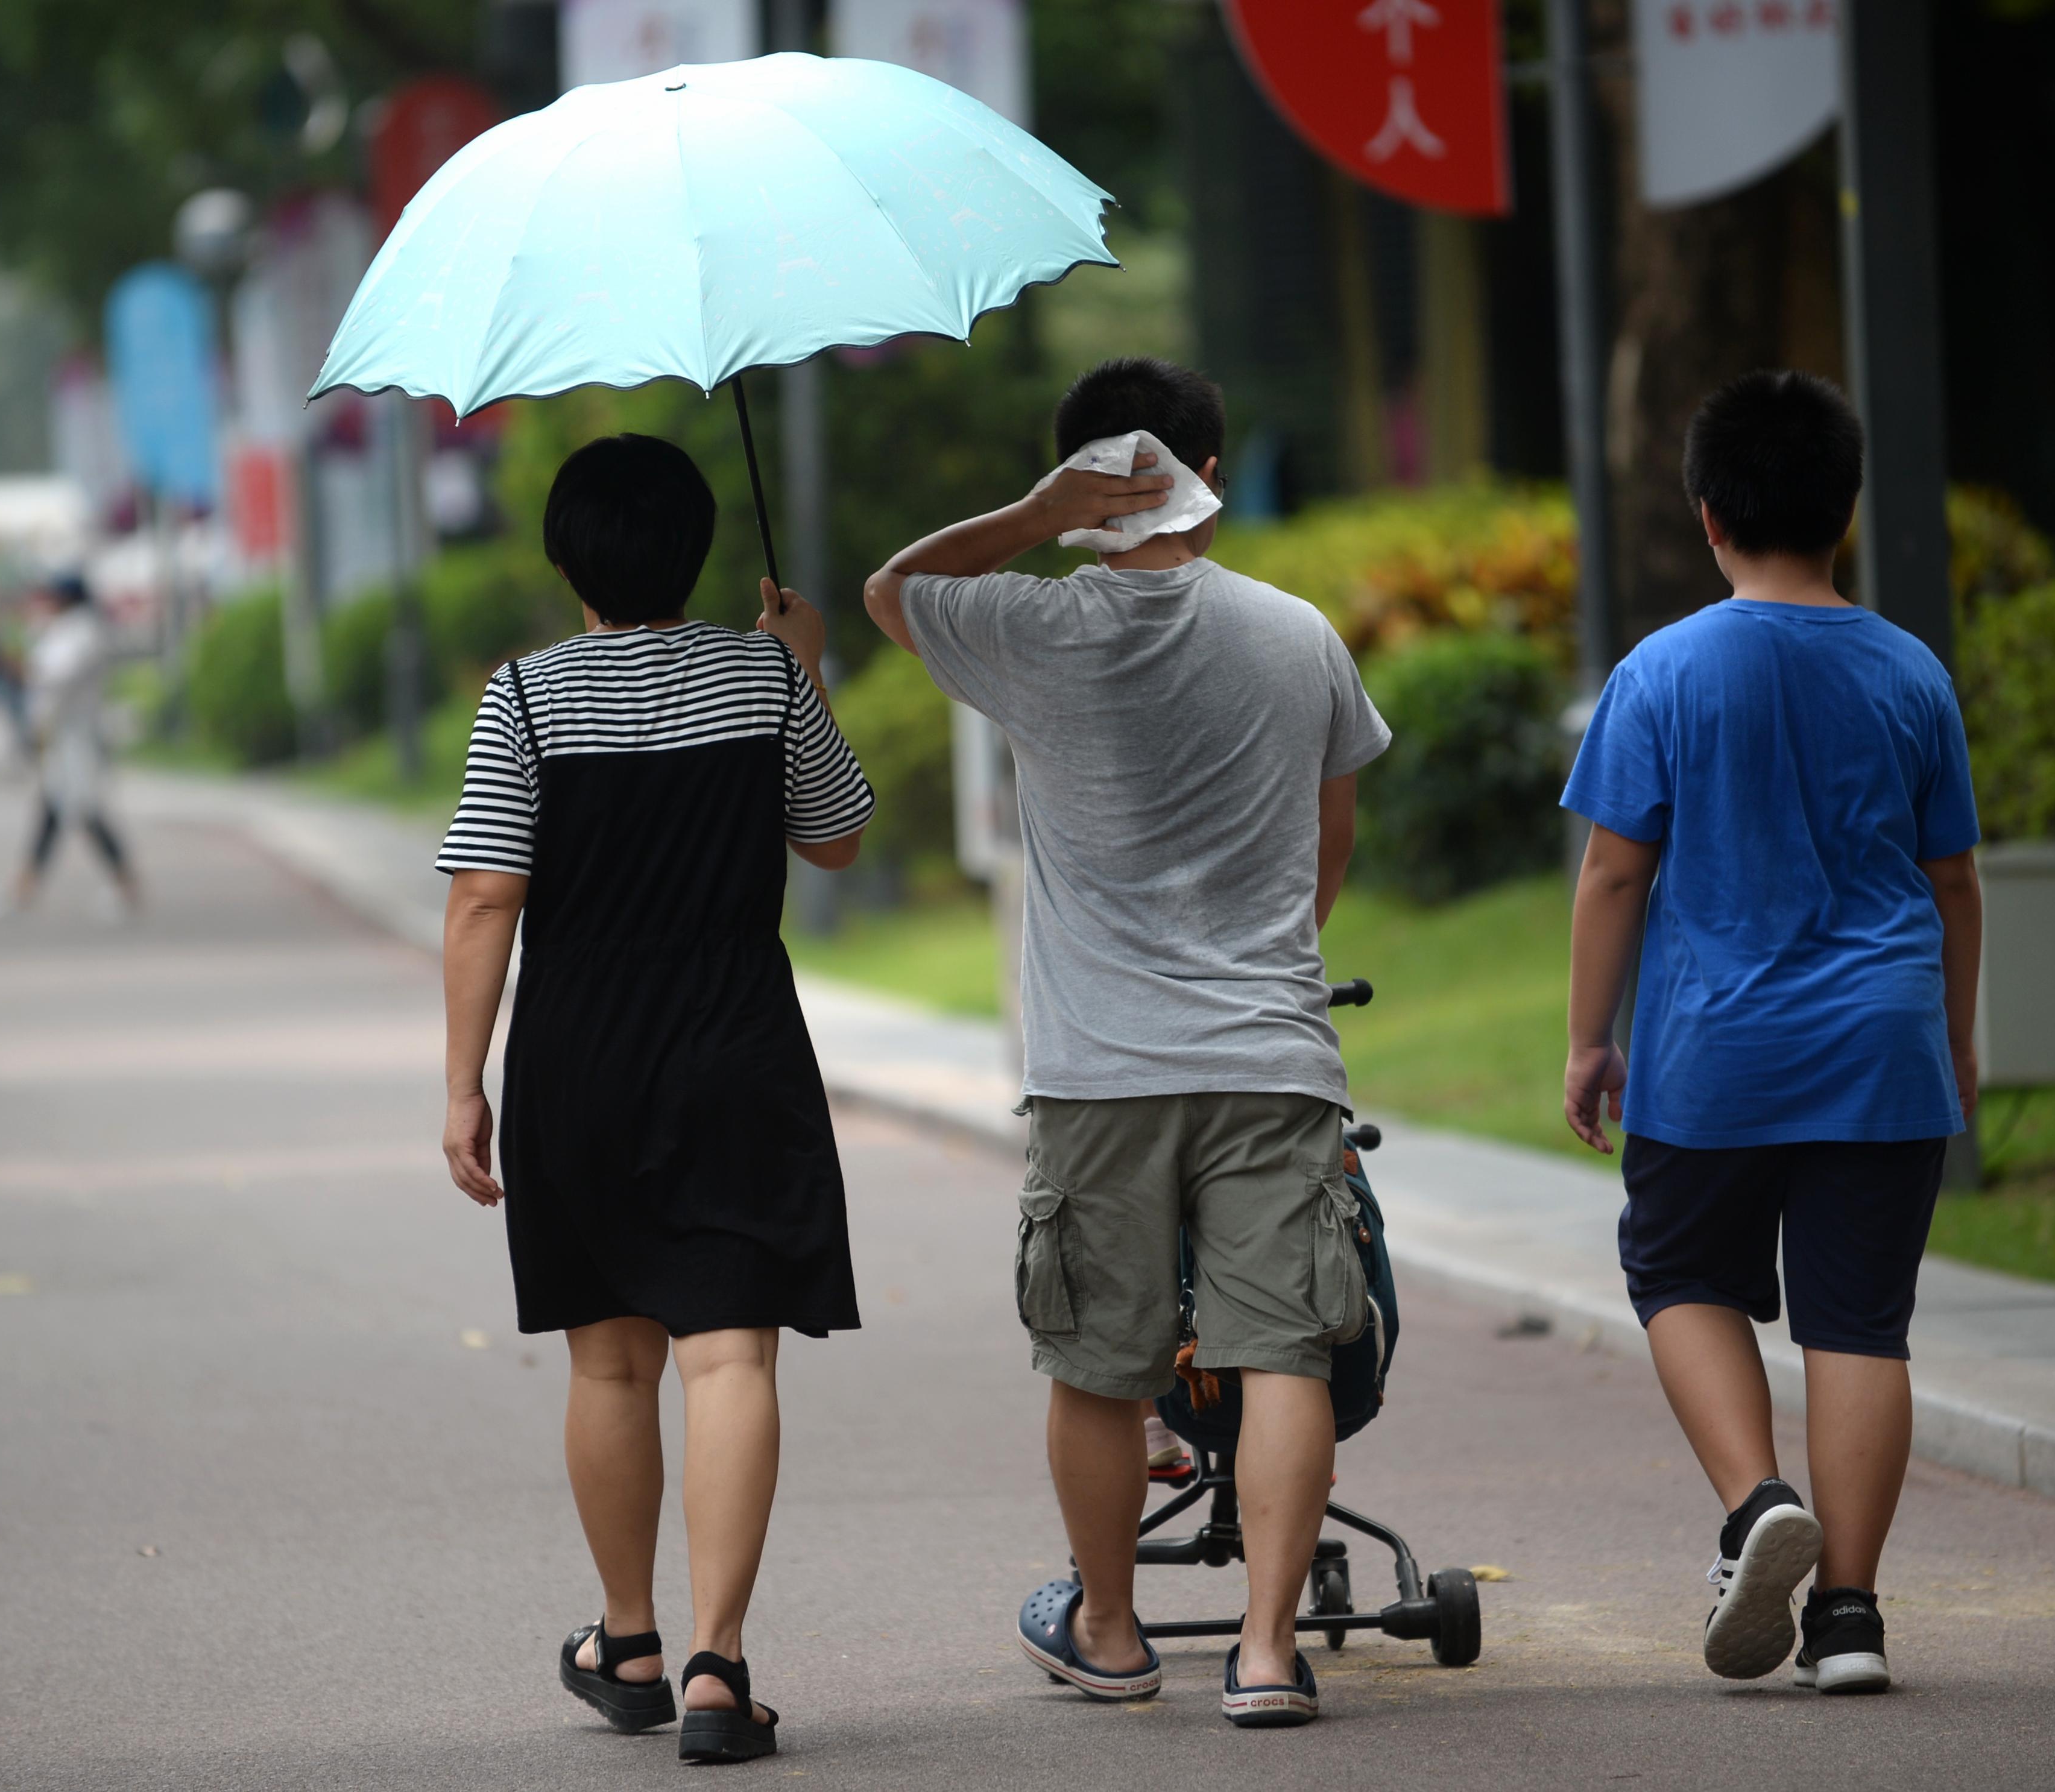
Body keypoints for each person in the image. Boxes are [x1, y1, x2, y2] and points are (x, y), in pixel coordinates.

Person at [864, 357, 1389, 1729]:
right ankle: (1267, 1651)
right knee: (1282, 1350)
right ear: (1207, 475)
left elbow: (886, 592)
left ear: (1085, 483)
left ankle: (1109, 1630)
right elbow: (1327, 842)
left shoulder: (1034, 634)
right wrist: (1264, 961)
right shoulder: (1296, 636)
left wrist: (1037, 520)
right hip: (1271, 1057)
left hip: (1097, 1069)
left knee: (1097, 1364)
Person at [436, 434, 874, 1764]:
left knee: (611, 1357)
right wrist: (795, 661)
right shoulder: (761, 676)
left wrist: (465, 1082)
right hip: (738, 1041)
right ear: (691, 550)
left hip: (579, 1053)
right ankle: (715, 1666)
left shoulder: (523, 697)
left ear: (566, 556)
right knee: (729, 1352)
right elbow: (838, 835)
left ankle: (625, 1634)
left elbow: (484, 898)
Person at [1558, 370, 1983, 1698]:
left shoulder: (1663, 670)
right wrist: (1953, 1041)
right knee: (1861, 1324)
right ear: (1842, 513)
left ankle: (1755, 1509)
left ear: (1707, 516)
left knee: (1677, 1272)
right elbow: (1953, 882)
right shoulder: (1911, 672)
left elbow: (1615, 874)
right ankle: (1849, 1616)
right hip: (1881, 1044)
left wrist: (1587, 1041)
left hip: (1714, 1051)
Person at [0, 575, 140, 918]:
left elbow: (52, 673)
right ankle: (25, 888)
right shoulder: (67, 629)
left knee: (81, 811)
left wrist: (13, 662)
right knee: (57, 812)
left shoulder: (83, 631)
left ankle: (125, 887)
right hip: (62, 739)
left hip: (77, 738)